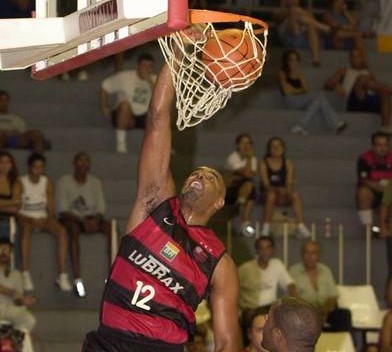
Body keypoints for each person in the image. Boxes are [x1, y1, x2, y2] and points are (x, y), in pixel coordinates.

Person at [82, 60, 240, 351]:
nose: (200, 175)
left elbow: (228, 342)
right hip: (108, 342)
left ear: (219, 202)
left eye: (211, 176)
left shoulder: (220, 262)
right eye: (197, 172)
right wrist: (176, 56)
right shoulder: (155, 205)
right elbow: (156, 119)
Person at [57, 151, 112, 298]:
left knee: (110, 228)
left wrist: (95, 220)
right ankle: (77, 279)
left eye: (86, 161)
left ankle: (113, 276)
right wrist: (82, 221)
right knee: (73, 231)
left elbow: (100, 208)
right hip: (72, 219)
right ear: (74, 164)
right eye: (80, 161)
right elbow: (62, 210)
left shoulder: (95, 182)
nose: (83, 164)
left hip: (91, 218)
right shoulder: (64, 181)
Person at [18, 153, 71, 292]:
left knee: (62, 231)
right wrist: (30, 219)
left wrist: (46, 219)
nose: (38, 170)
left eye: (41, 167)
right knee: (25, 230)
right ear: (30, 167)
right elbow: (17, 208)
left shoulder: (46, 182)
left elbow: (52, 209)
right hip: (26, 217)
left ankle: (62, 275)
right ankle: (25, 272)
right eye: (35, 167)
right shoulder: (21, 182)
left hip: (42, 218)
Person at [279, 49, 347, 135]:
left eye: (296, 60)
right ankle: (336, 123)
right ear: (287, 61)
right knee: (319, 96)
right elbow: (287, 91)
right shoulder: (282, 73)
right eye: (291, 60)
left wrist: (295, 89)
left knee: (318, 100)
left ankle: (300, 125)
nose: (294, 62)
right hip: (290, 100)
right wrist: (299, 90)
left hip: (301, 100)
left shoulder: (300, 75)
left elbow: (307, 90)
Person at [289, 240, 352, 332]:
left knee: (344, 315)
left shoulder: (326, 270)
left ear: (318, 255)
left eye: (313, 253)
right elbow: (293, 297)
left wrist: (323, 312)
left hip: (324, 311)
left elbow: (332, 296)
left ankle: (342, 344)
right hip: (303, 311)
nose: (310, 256)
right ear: (302, 255)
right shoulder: (293, 271)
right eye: (307, 253)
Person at [324, 48, 392, 132]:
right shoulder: (344, 71)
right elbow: (327, 85)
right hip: (353, 102)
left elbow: (377, 88)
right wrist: (336, 85)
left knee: (384, 93)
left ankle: (384, 128)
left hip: (368, 101)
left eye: (358, 56)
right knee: (361, 78)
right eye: (353, 56)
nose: (355, 59)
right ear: (349, 59)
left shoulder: (368, 73)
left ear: (362, 58)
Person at [100, 53, 156, 153]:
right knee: (125, 104)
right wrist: (104, 106)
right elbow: (105, 86)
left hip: (144, 116)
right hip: (125, 114)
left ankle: (159, 147)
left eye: (149, 67)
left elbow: (159, 99)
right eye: (144, 66)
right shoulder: (125, 77)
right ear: (138, 66)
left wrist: (150, 82)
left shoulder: (155, 80)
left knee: (161, 111)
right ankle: (121, 143)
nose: (146, 69)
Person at [259, 137, 310, 238]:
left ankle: (301, 225)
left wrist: (285, 190)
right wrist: (278, 190)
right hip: (268, 194)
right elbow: (265, 184)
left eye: (278, 146)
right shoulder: (264, 163)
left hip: (283, 193)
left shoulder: (288, 163)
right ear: (269, 149)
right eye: (273, 146)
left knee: (295, 194)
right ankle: (266, 227)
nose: (276, 148)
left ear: (283, 148)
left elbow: (289, 183)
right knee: (271, 195)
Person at [238, 236, 297, 315]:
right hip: (250, 310)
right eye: (261, 248)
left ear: (273, 250)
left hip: (270, 310)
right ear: (257, 250)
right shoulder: (245, 268)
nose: (264, 251)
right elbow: (232, 289)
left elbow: (290, 285)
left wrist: (297, 304)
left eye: (268, 248)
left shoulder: (277, 264)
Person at [277, 0, 331, 66]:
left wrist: (301, 13)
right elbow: (279, 17)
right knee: (294, 12)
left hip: (304, 39)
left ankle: (315, 59)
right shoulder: (282, 12)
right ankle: (323, 27)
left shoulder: (306, 13)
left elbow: (313, 26)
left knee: (311, 26)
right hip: (291, 37)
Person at [0, 238, 36, 335]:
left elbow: (17, 299)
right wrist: (13, 293)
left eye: (6, 250)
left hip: (11, 309)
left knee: (29, 320)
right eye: (1, 249)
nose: (3, 253)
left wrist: (23, 300)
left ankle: (13, 341)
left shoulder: (16, 274)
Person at [224, 133, 257, 237]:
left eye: (248, 143)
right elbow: (247, 173)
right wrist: (249, 159)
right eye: (243, 143)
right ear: (238, 145)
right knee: (249, 188)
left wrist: (249, 159)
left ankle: (243, 217)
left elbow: (251, 174)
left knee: (250, 189)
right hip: (230, 189)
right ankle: (243, 218)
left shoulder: (253, 159)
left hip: (244, 189)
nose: (246, 146)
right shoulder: (233, 158)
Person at [356, 132, 392, 228]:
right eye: (379, 145)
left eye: (385, 145)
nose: (382, 148)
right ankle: (367, 228)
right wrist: (376, 186)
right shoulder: (364, 158)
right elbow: (363, 180)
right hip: (373, 192)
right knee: (362, 192)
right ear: (373, 146)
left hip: (389, 192)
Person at [0, 151, 21, 240]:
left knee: (4, 224)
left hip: (7, 218)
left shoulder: (16, 183)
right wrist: (10, 202)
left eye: (7, 162)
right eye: (1, 162)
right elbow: (14, 202)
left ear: (12, 165)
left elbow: (15, 208)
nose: (4, 165)